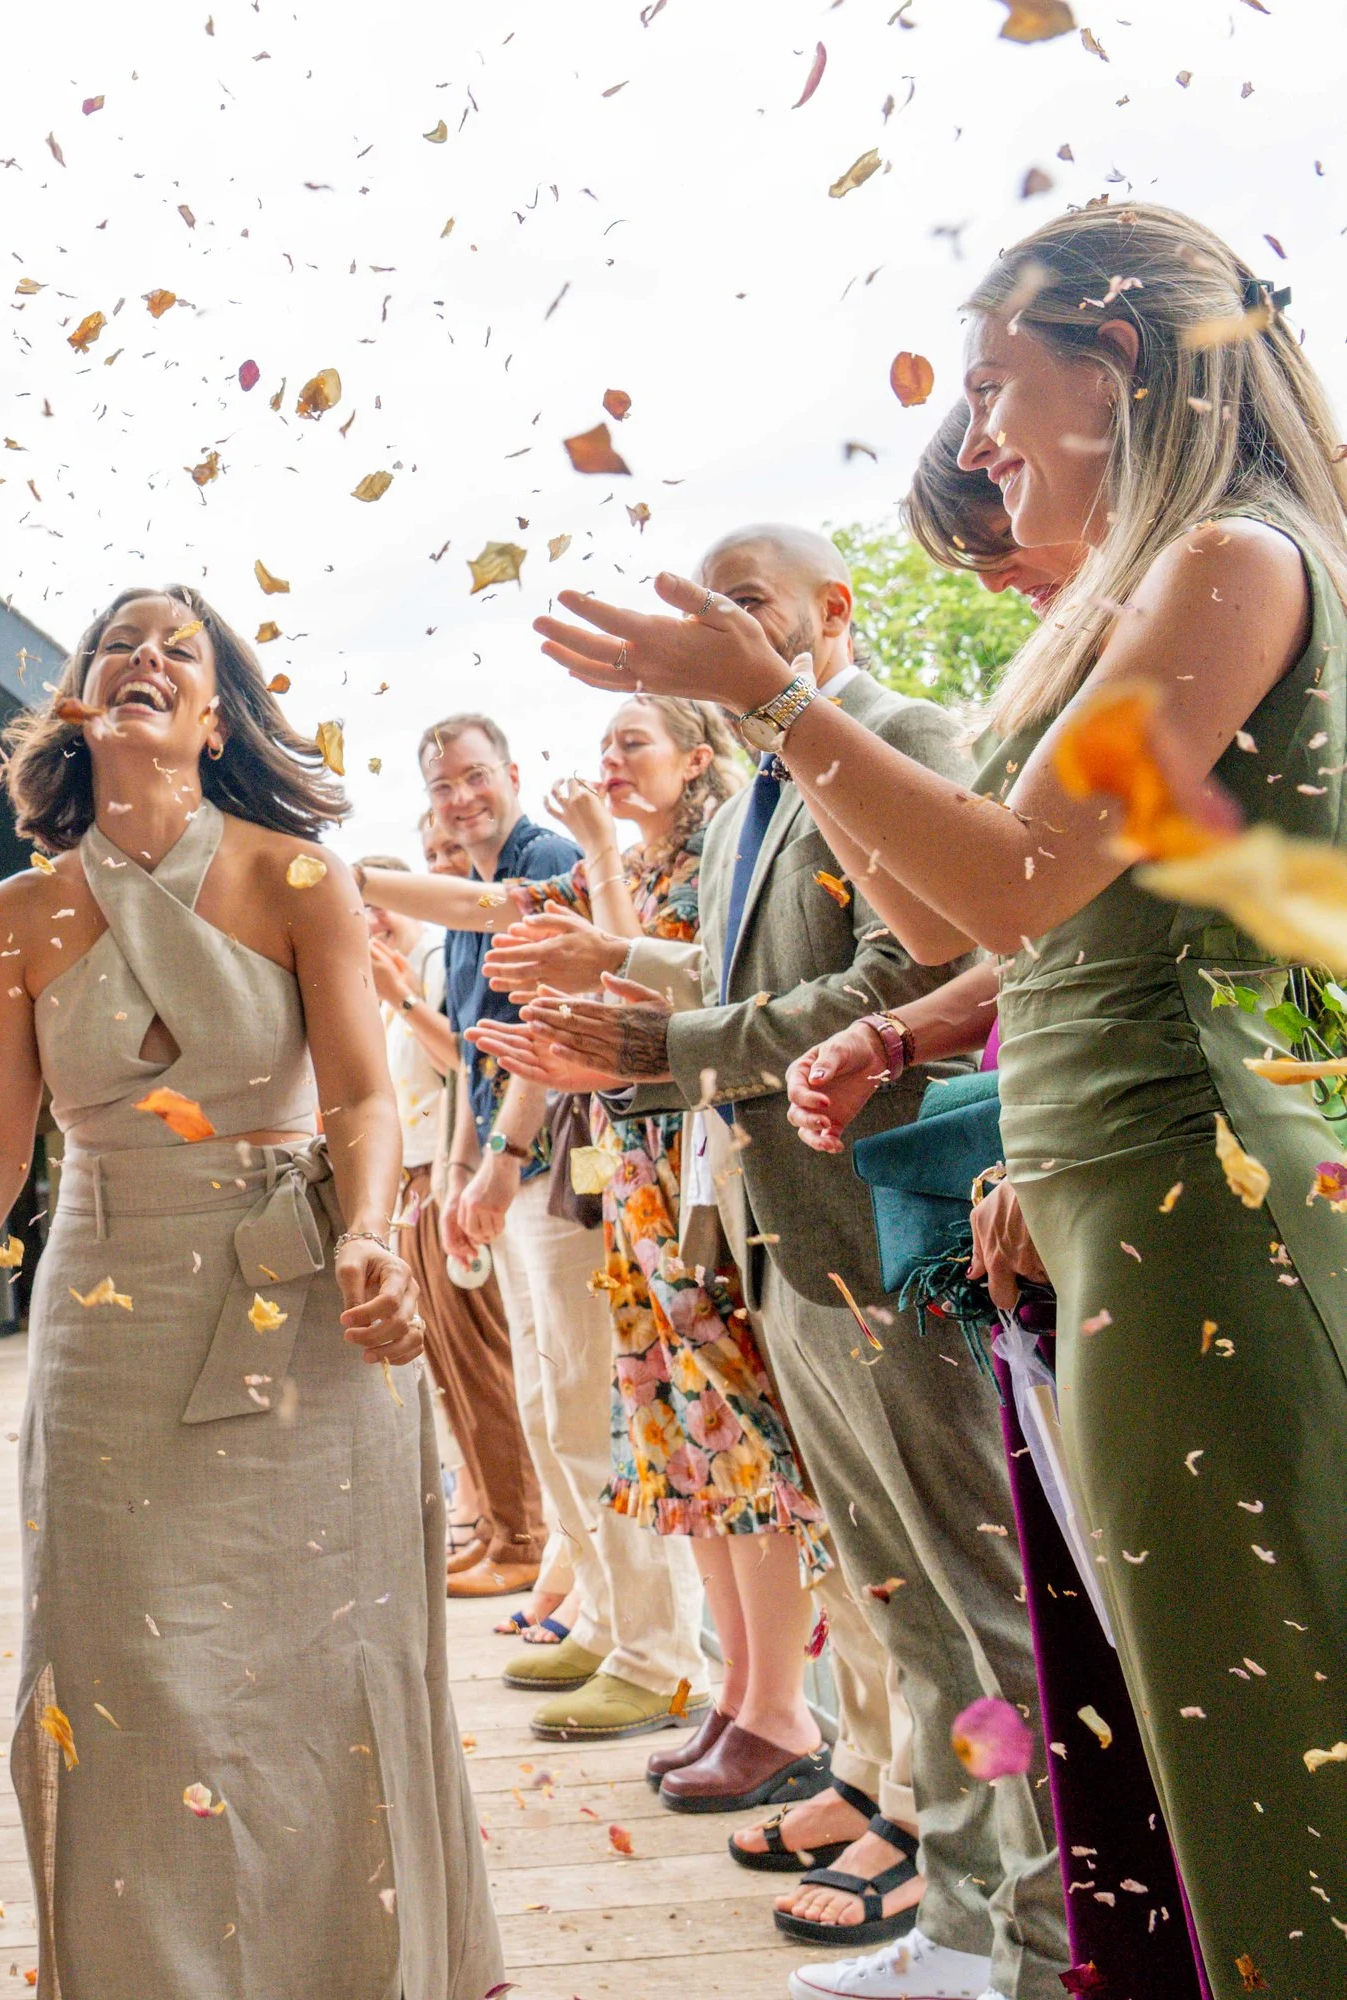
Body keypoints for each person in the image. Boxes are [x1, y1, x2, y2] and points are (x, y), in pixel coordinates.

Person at [531, 205, 1347, 1999]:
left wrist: (776, 704)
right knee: (1164, 1709)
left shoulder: (1232, 561)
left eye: (991, 386)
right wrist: (790, 759)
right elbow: (961, 921)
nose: (971, 437)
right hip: (1109, 1195)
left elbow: (1025, 877)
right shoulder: (1166, 583)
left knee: (1258, 1729)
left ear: (1114, 362)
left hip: (1201, 1212)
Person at [0, 583, 499, 1998]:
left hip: (309, 1293)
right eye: (122, 645)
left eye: (184, 653)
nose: (149, 660)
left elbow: (362, 1100)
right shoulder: (16, 915)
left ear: (217, 718)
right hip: (109, 1310)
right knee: (121, 1672)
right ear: (82, 698)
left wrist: (375, 1237)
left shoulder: (298, 878)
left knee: (331, 1669)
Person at [504, 523, 1069, 2000]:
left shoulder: (899, 735)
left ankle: (1049, 1939)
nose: (721, 631)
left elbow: (921, 970)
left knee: (972, 1603)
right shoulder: (767, 781)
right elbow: (759, 976)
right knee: (893, 1596)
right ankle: (959, 1924)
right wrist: (623, 974)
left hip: (884, 1225)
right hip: (783, 1238)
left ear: (835, 608)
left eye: (744, 602)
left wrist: (669, 1048)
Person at [782, 413, 1206, 1998]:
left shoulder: (1220, 612)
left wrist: (1036, 1131)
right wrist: (910, 1030)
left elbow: (1071, 914)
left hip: (1152, 1186)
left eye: (1006, 512)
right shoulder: (1096, 659)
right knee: (1064, 1610)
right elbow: (1011, 940)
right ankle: (1050, 1937)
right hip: (1052, 1189)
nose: (1006, 566)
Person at [498, 698, 836, 1816]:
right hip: (636, 1164)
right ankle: (739, 1691)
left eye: (630, 740)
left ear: (695, 755)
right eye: (599, 743)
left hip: (704, 1157)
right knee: (682, 1437)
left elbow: (668, 996)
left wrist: (595, 855)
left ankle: (780, 1705)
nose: (606, 761)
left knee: (736, 1430)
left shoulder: (719, 844)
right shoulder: (637, 861)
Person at [362, 720, 710, 1747]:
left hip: (570, 1170)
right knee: (547, 1398)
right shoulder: (478, 890)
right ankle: (603, 1618)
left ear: (512, 775)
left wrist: (501, 1161)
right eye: (444, 783)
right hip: (511, 1173)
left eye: (477, 776)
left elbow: (554, 1023)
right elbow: (478, 1043)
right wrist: (467, 1167)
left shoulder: (547, 863)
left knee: (586, 1397)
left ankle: (656, 1649)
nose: (462, 796)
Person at [361, 845, 544, 1598]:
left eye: (380, 902)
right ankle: (498, 1526)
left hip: (457, 1173)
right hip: (421, 1179)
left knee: (485, 1361)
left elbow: (465, 1062)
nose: (370, 919)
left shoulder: (434, 960)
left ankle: (521, 1534)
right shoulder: (396, 978)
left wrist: (401, 1000)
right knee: (450, 1366)